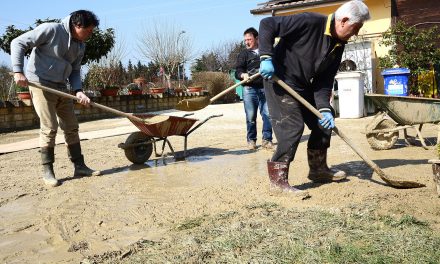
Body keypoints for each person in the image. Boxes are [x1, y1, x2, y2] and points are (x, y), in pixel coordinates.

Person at [258, 0, 370, 195]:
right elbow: (268, 24)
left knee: (323, 123)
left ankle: (318, 170)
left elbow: (324, 81)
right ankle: (278, 182)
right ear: (343, 21)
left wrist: (325, 109)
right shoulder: (309, 21)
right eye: (356, 27)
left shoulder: (338, 45)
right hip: (279, 80)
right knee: (291, 128)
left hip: (302, 85)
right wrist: (266, 57)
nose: (356, 33)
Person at [11, 10, 101, 187]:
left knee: (71, 126)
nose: (91, 34)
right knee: (50, 127)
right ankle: (48, 171)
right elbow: (18, 42)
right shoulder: (51, 30)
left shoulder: (81, 45)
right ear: (77, 25)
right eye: (89, 30)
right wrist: (17, 70)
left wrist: (78, 91)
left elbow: (75, 70)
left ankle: (79, 166)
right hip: (40, 84)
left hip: (61, 87)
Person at [235, 27, 274, 151]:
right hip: (249, 90)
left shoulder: (265, 51)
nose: (247, 42)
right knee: (251, 117)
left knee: (268, 115)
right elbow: (238, 71)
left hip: (265, 88)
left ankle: (267, 140)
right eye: (245, 40)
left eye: (249, 39)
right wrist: (243, 75)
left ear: (257, 38)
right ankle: (251, 140)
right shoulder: (243, 54)